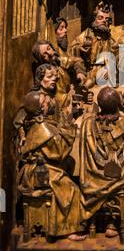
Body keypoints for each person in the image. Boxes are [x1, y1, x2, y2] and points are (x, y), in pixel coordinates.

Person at [79, 87, 124, 237]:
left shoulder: (88, 124)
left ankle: (97, 218)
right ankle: (114, 221)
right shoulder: (123, 123)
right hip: (118, 175)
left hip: (94, 176)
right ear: (118, 105)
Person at [18, 91, 86, 241]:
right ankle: (66, 230)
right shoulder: (42, 127)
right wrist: (70, 127)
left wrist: (68, 117)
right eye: (45, 102)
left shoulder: (38, 122)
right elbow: (60, 151)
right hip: (40, 171)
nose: (48, 102)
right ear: (40, 108)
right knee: (71, 190)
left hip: (44, 167)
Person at [70, 3, 116, 87]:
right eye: (100, 18)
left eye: (106, 19)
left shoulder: (110, 38)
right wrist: (79, 49)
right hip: (89, 71)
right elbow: (72, 48)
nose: (104, 21)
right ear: (94, 19)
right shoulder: (86, 35)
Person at [32, 40, 86, 107]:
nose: (50, 53)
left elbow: (76, 61)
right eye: (44, 54)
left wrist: (80, 72)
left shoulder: (58, 61)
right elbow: (59, 101)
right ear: (41, 59)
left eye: (49, 48)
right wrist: (70, 94)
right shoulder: (46, 76)